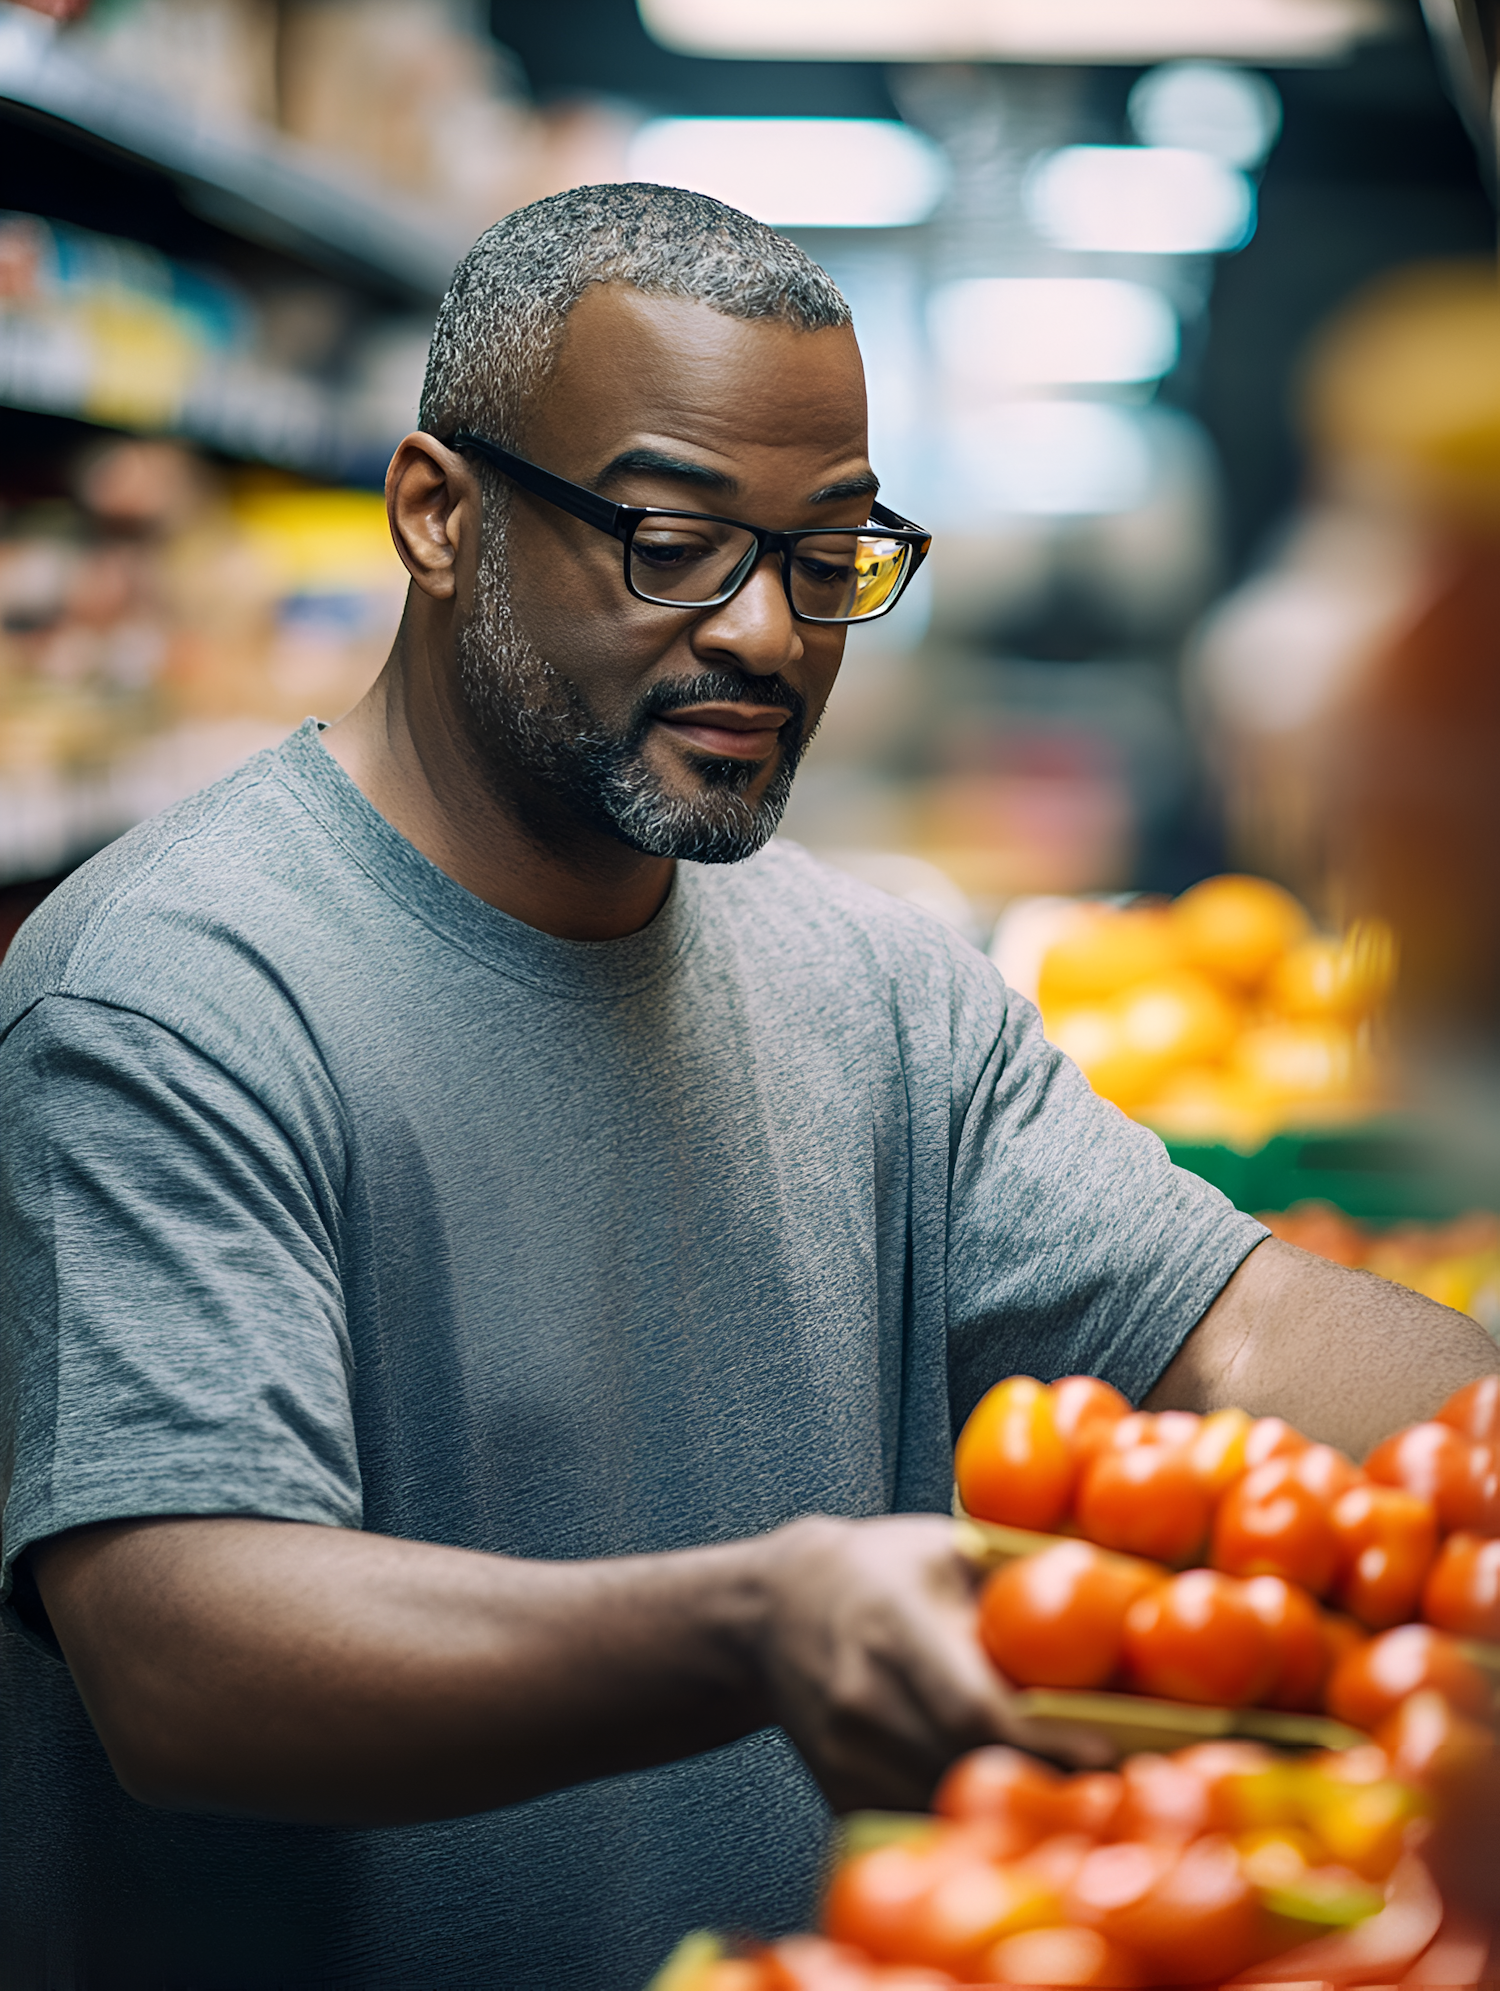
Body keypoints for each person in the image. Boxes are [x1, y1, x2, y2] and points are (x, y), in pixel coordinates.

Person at [0, 184, 1493, 1991]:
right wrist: (755, 1621)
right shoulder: (171, 995)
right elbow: (186, 1653)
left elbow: (1238, 1338)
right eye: (675, 541)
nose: (772, 635)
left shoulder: (871, 988)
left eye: (828, 553)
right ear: (438, 514)